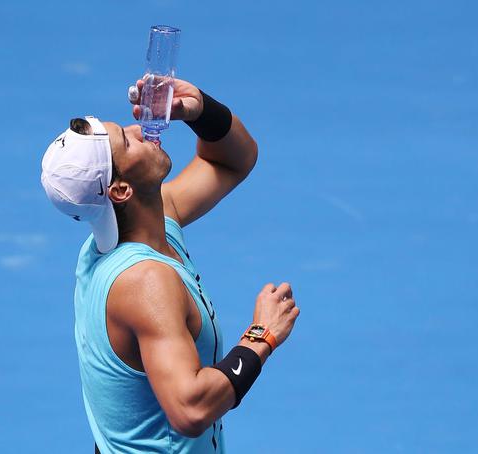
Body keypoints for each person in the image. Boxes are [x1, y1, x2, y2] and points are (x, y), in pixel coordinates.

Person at [40, 77, 300, 453]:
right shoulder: (144, 282)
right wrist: (261, 335)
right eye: (126, 141)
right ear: (120, 190)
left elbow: (233, 160)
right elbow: (190, 409)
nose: (138, 129)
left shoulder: (144, 227)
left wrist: (200, 110)